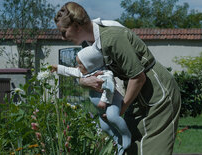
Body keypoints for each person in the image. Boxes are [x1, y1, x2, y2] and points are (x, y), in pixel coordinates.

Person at [54, 2, 181, 154]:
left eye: (64, 32)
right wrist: (83, 81)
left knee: (153, 149)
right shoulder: (87, 45)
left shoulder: (112, 37)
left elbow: (138, 77)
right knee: (128, 147)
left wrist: (121, 109)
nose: (62, 37)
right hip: (135, 93)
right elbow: (88, 74)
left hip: (157, 91)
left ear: (77, 26)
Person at [51, 45, 131, 155]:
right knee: (105, 127)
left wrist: (104, 100)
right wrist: (58, 68)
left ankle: (126, 134)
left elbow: (110, 87)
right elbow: (71, 71)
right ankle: (117, 139)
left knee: (112, 117)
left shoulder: (105, 74)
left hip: (112, 102)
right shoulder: (86, 73)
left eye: (80, 64)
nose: (78, 67)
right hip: (101, 108)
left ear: (91, 65)